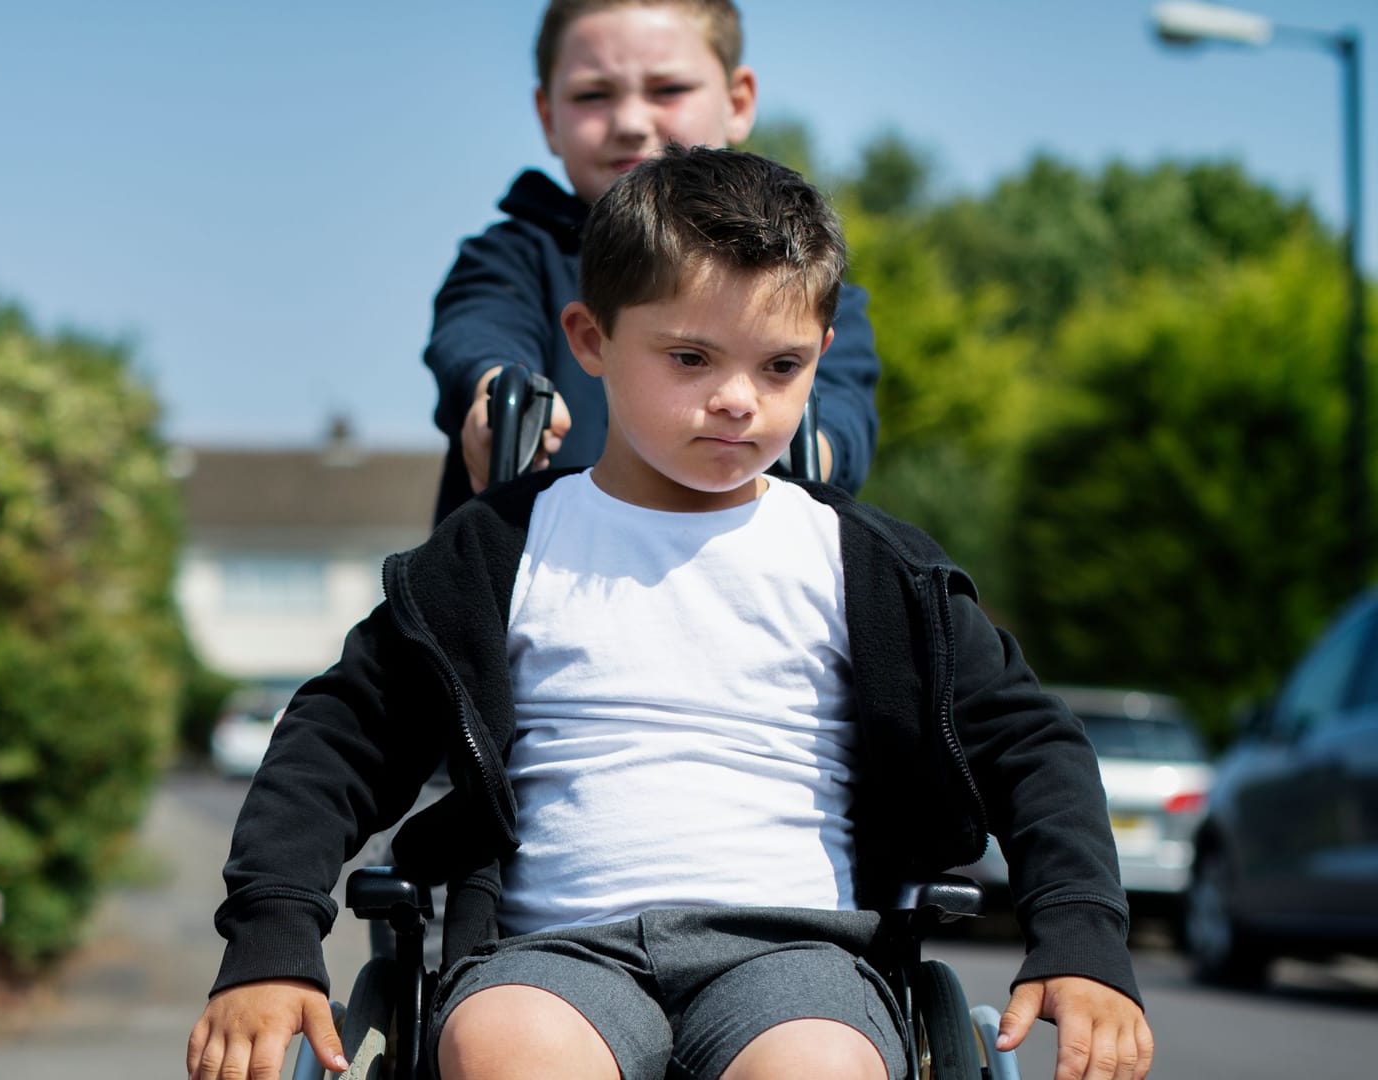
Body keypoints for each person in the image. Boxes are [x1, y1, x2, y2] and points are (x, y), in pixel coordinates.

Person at [188, 147, 1152, 1080]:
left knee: (818, 1066)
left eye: (780, 367)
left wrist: (1079, 936)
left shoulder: (869, 567)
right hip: (552, 955)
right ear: (591, 340)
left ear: (821, 354)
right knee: (507, 1050)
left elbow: (1031, 742)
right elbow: (338, 735)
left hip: (800, 957)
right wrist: (274, 936)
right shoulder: (496, 551)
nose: (738, 400)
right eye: (691, 356)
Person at [425, 0, 882, 524]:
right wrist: (499, 401)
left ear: (737, 101)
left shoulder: (800, 280)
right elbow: (477, 332)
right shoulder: (512, 257)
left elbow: (841, 413)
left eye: (667, 90)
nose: (630, 122)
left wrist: (794, 458)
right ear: (548, 117)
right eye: (593, 95)